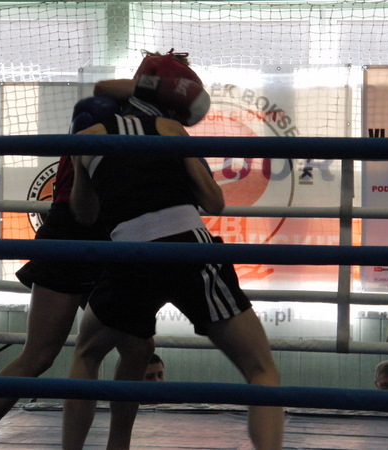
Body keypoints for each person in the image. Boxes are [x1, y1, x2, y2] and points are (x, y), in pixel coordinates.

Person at [63, 50, 283, 450]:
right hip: (187, 249)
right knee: (261, 369)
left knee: (87, 354)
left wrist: (89, 165)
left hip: (129, 256)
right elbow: (215, 202)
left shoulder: (85, 138)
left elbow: (84, 214)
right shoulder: (169, 128)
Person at [0, 96, 153, 449]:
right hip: (72, 232)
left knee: (139, 347)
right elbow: (87, 210)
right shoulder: (101, 124)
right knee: (40, 355)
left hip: (108, 237)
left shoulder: (131, 125)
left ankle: (119, 445)